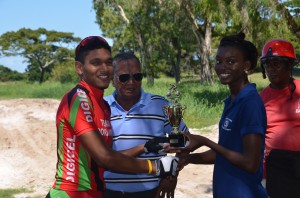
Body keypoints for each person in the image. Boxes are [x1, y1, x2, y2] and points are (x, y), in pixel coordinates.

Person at [46, 36, 179, 198]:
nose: (104, 69)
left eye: (108, 62)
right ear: (79, 68)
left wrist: (144, 147)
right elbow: (105, 158)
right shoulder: (79, 99)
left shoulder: (102, 106)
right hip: (72, 192)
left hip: (95, 193)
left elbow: (109, 155)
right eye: (96, 63)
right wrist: (156, 166)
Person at [178, 32, 268, 197]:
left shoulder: (250, 103)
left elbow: (250, 163)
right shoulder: (232, 101)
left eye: (231, 61)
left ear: (246, 66)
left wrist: (204, 140)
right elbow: (225, 152)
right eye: (219, 61)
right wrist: (190, 159)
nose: (222, 66)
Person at [103, 52, 189, 198]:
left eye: (137, 77)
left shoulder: (161, 105)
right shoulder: (100, 107)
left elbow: (186, 141)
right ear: (112, 79)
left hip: (150, 192)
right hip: (106, 191)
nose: (131, 82)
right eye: (124, 77)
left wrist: (172, 175)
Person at [260, 39, 300, 197]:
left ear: (289, 65)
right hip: (275, 170)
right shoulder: (260, 100)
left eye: (276, 63)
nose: (271, 69)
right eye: (268, 64)